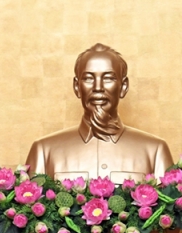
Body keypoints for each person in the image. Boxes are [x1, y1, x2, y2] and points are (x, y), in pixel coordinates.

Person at [25, 43, 173, 184]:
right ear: (77, 87)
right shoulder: (44, 151)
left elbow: (171, 207)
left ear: (123, 87)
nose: (98, 87)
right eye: (88, 78)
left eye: (108, 78)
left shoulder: (155, 151)